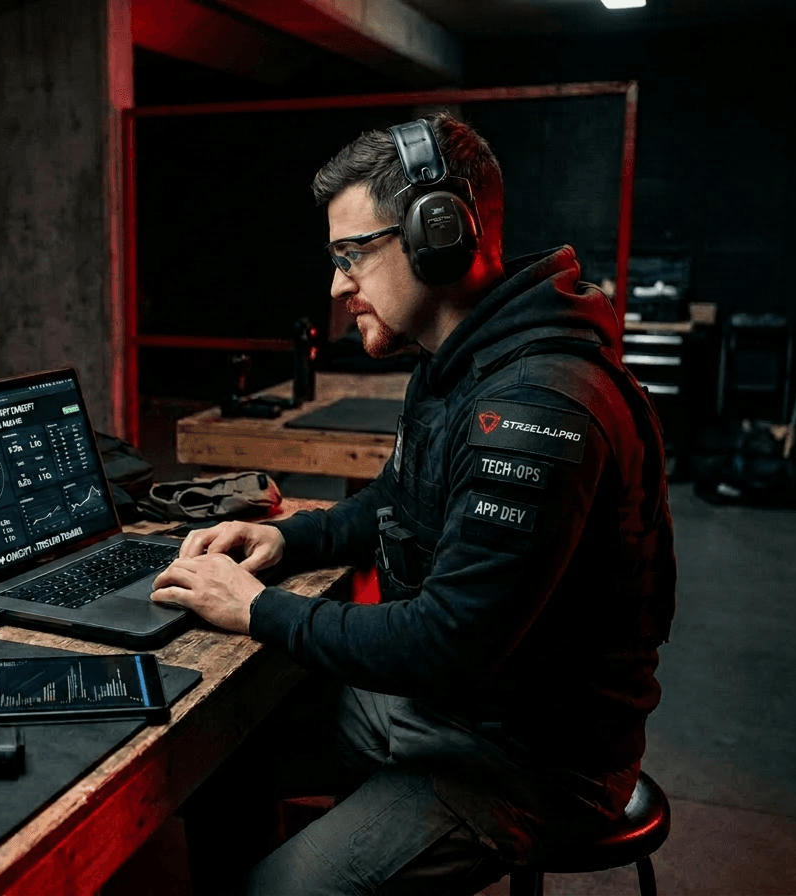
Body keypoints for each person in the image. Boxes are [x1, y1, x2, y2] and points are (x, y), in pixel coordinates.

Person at [151, 113, 676, 895]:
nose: (336, 285)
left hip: (529, 759)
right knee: (222, 750)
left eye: (351, 254)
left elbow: (446, 642)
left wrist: (257, 610)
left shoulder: (537, 407)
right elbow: (395, 502)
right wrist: (290, 541)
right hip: (453, 711)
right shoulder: (457, 364)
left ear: (440, 235)